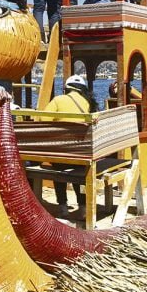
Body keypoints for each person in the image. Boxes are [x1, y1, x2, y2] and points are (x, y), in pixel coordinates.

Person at [40, 75, 99, 217]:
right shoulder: (88, 103)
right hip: (83, 154)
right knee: (78, 169)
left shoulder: (59, 100)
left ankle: (63, 206)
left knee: (58, 170)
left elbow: (42, 119)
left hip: (62, 156)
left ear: (67, 88)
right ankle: (83, 207)